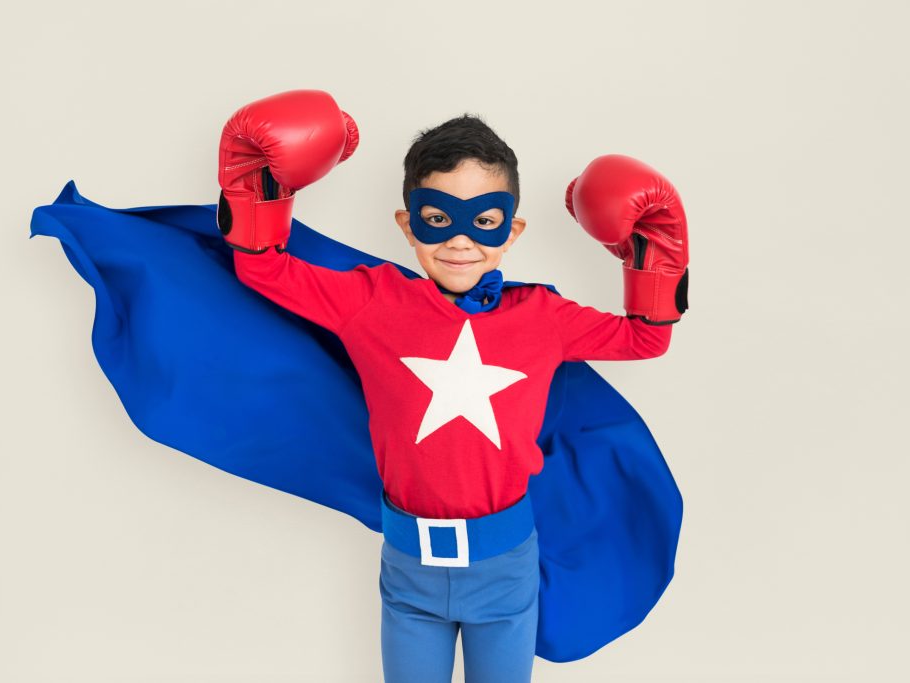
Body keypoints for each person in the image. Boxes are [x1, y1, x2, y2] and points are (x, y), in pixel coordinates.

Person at [218, 89, 689, 683]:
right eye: (438, 219)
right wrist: (255, 180)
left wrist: (654, 252)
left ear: (511, 229)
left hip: (506, 567)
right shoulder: (371, 301)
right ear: (406, 224)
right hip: (409, 570)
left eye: (483, 221)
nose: (460, 241)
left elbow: (645, 338)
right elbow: (261, 264)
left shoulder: (540, 316)